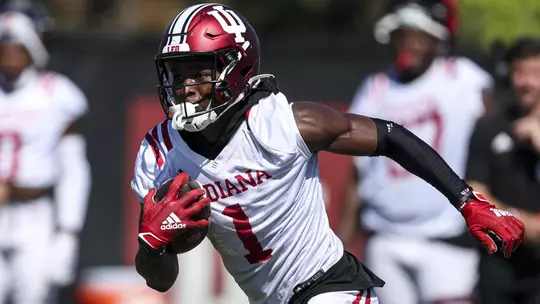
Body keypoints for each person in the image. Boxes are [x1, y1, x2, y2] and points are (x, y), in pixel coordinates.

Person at [130, 3, 524, 304]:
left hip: (331, 285)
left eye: (199, 72)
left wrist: (465, 200)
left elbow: (388, 136)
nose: (186, 87)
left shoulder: (282, 125)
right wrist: (152, 243)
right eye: (177, 74)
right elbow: (160, 279)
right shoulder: (159, 154)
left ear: (235, 68)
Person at [339, 1, 493, 303]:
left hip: (447, 238)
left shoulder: (462, 77)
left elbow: (496, 133)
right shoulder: (375, 87)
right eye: (404, 36)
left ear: (438, 40)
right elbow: (358, 174)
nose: (410, 45)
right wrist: (343, 241)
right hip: (385, 237)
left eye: (420, 36)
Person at [0, 9, 91, 304]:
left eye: (16, 42)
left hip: (35, 213)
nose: (9, 51)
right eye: (5, 42)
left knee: (35, 296)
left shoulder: (57, 93)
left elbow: (73, 168)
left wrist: (68, 232)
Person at [466, 37, 540, 304]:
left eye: (534, 74)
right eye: (520, 73)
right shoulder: (489, 127)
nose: (525, 82)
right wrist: (523, 225)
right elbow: (476, 194)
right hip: (499, 265)